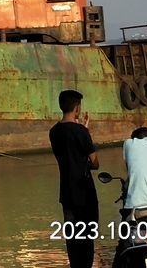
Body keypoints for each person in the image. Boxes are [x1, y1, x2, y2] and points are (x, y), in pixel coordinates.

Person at [49, 88, 99, 268]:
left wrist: (82, 130)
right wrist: (85, 131)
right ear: (77, 108)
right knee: (88, 234)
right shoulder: (81, 132)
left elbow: (70, 148)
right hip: (85, 191)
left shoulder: (53, 132)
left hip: (67, 192)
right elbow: (95, 163)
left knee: (71, 235)